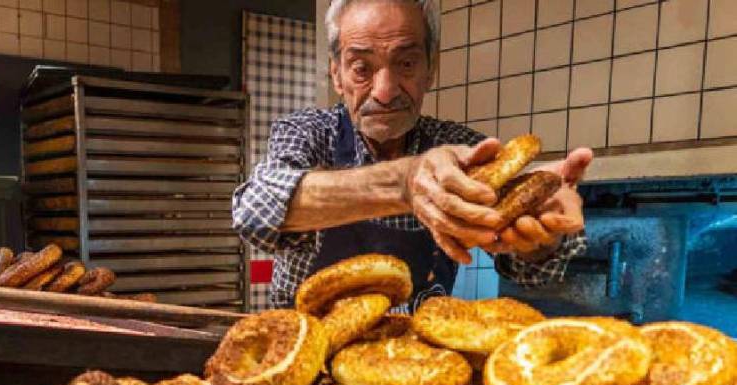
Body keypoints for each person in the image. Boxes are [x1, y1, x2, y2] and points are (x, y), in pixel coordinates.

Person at [232, 0, 589, 311]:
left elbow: (532, 271)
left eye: (406, 64)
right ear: (337, 74)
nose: (385, 92)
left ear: (430, 69)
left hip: (413, 359)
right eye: (361, 68)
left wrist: (538, 237)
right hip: (304, 356)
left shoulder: (461, 149)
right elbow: (255, 212)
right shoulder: (307, 133)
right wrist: (405, 184)